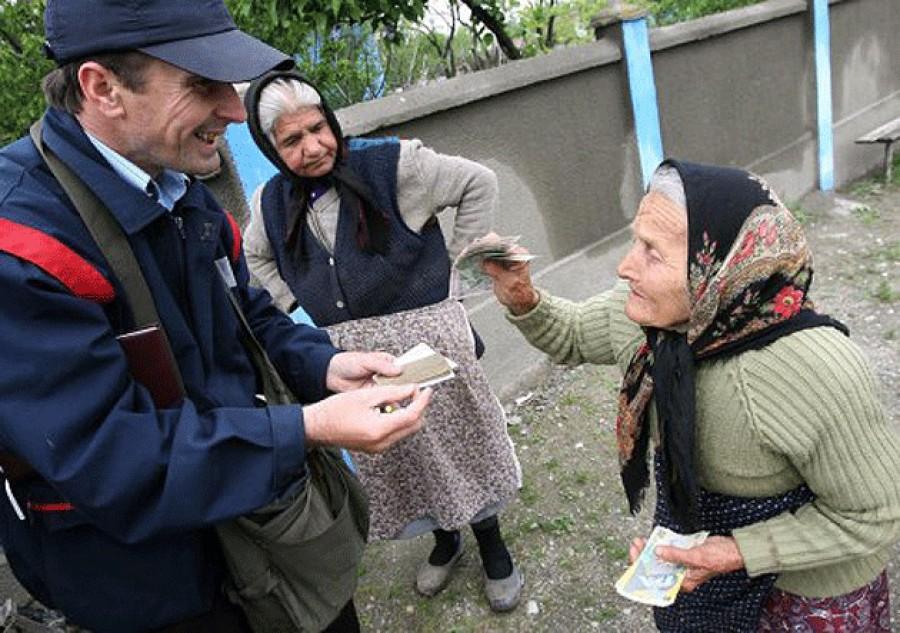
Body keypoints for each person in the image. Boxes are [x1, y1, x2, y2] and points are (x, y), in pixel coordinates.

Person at [0, 2, 433, 632]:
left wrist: (324, 365)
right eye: (202, 85)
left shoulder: (178, 185)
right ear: (102, 88)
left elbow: (249, 314)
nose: (233, 110)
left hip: (263, 525)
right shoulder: (22, 245)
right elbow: (109, 456)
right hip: (155, 588)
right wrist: (305, 429)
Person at [483, 160, 900, 631]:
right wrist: (523, 297)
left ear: (719, 271)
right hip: (705, 545)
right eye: (636, 241)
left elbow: (872, 514)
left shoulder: (812, 369)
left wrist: (739, 551)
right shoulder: (648, 321)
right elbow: (575, 333)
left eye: (653, 253)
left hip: (805, 589)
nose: (624, 267)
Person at [241, 71, 524, 612]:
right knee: (402, 452)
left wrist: (456, 278)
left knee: (463, 443)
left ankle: (493, 545)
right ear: (270, 148)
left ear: (330, 120)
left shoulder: (395, 166)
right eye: (292, 140)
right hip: (352, 359)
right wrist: (296, 302)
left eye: (317, 128)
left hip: (429, 341)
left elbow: (479, 183)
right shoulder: (270, 202)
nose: (313, 147)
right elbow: (254, 257)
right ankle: (446, 539)